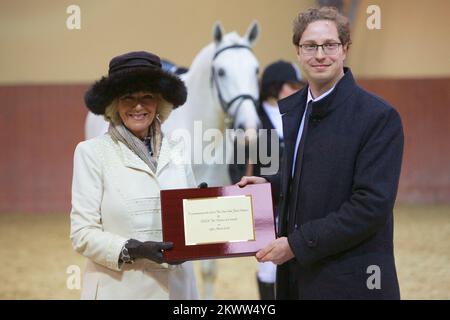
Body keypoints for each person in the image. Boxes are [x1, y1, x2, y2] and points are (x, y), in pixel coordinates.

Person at [238, 7, 404, 299]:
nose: (319, 54)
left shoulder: (378, 116)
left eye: (330, 45)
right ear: (298, 52)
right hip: (298, 279)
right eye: (310, 46)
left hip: (350, 280)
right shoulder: (295, 109)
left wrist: (296, 245)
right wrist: (271, 185)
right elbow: (311, 175)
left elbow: (370, 206)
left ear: (345, 50)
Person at [70, 51, 198, 300]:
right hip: (119, 290)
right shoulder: (91, 153)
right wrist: (134, 249)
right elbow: (81, 234)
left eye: (147, 96)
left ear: (160, 102)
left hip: (178, 291)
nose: (138, 106)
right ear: (114, 104)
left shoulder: (179, 150)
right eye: (128, 97)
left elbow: (193, 222)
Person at [253, 60, 305, 299]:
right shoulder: (253, 117)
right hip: (265, 197)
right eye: (291, 85)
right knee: (267, 263)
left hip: (294, 197)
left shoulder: (301, 113)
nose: (297, 90)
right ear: (275, 86)